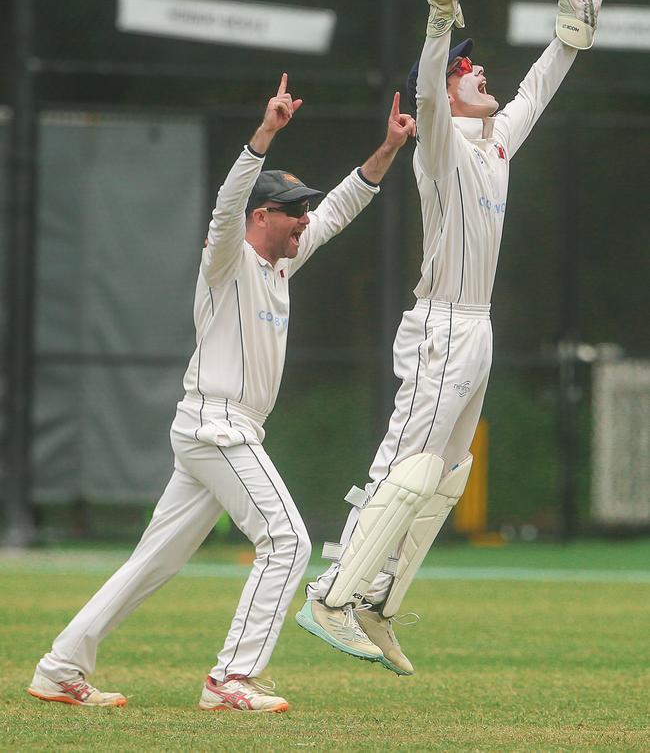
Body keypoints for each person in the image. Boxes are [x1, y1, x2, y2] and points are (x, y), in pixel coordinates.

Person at [28, 74, 416, 712]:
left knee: (152, 563)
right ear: (261, 216)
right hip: (217, 425)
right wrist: (265, 133)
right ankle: (230, 679)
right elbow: (227, 202)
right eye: (293, 210)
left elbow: (345, 204)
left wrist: (390, 147)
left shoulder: (283, 260)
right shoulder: (227, 256)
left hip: (223, 429)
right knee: (287, 540)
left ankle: (59, 666)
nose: (305, 219)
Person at [297, 0, 609, 676]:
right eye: (467, 70)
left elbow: (540, 84)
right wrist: (440, 21)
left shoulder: (495, 143)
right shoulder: (436, 145)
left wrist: (573, 19)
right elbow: (430, 97)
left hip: (479, 325)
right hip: (440, 322)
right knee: (405, 461)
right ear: (446, 85)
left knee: (445, 474)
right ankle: (330, 593)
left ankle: (377, 602)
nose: (479, 72)